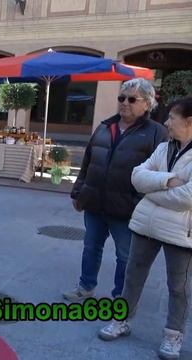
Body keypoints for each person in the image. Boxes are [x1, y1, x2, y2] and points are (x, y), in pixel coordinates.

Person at [97, 97, 192, 360]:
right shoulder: (164, 148)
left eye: (172, 117)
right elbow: (137, 176)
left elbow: (188, 197)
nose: (166, 122)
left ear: (189, 121)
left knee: (178, 287)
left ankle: (173, 336)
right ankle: (121, 320)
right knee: (133, 276)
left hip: (181, 233)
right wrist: (169, 181)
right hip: (147, 224)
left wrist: (153, 190)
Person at [64, 78, 168, 301]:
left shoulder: (156, 133)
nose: (125, 103)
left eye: (132, 99)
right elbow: (88, 161)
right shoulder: (105, 126)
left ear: (147, 104)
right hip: (94, 203)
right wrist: (78, 191)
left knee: (125, 256)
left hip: (126, 210)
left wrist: (137, 202)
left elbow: (161, 173)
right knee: (91, 248)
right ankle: (85, 287)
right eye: (121, 98)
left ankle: (120, 298)